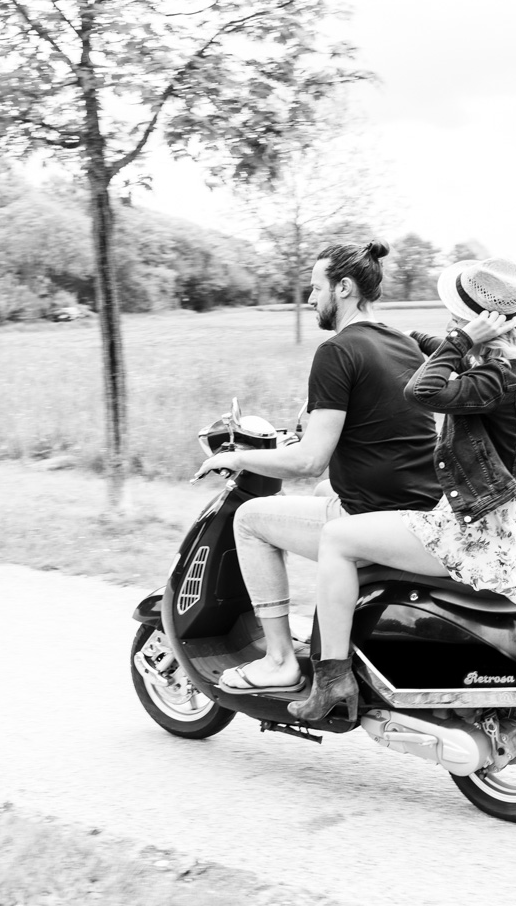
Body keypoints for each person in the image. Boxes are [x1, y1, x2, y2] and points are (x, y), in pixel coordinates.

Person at [289, 255, 516, 724]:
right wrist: (397, 335)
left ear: (477, 323)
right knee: (323, 496)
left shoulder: (493, 376)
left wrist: (456, 341)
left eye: (457, 319)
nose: (450, 326)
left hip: (478, 534)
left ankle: (333, 679)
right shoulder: (509, 362)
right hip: (499, 524)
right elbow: (435, 351)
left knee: (335, 539)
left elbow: (423, 390)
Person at [193, 240, 439, 699]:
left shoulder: (337, 350)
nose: (309, 299)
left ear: (343, 288)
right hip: (420, 505)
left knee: (250, 520)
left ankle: (280, 661)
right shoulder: (404, 344)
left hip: (373, 516)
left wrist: (235, 457)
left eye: (315, 288)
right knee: (323, 491)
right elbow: (376, 427)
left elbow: (309, 460)